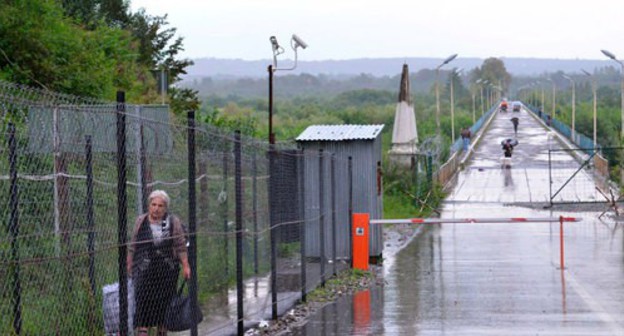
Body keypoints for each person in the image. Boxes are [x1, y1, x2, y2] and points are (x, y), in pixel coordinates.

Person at [127, 190, 191, 336]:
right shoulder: (141, 221)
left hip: (167, 270)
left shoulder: (172, 222)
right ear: (149, 205)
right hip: (144, 270)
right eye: (153, 204)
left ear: (165, 207)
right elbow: (133, 244)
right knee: (143, 303)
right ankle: (142, 332)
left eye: (160, 206)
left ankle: (162, 332)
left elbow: (180, 245)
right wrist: (129, 262)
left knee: (164, 305)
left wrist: (185, 265)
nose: (156, 208)